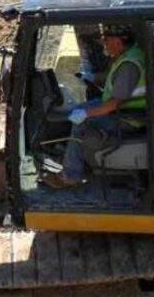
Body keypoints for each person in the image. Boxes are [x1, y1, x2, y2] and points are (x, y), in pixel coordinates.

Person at [44, 25, 146, 189]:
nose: (104, 43)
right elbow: (110, 78)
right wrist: (90, 77)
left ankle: (70, 175)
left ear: (119, 42)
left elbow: (113, 103)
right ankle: (75, 154)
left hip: (129, 119)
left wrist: (86, 114)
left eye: (107, 40)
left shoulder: (129, 66)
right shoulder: (130, 55)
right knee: (81, 107)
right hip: (124, 109)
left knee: (80, 122)